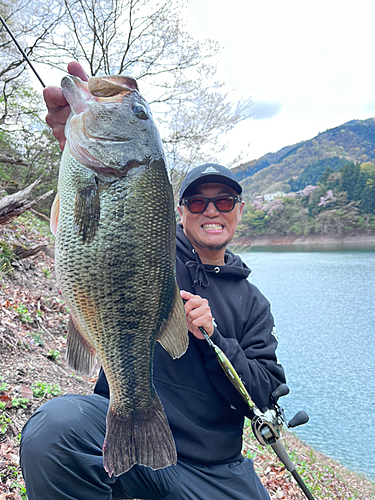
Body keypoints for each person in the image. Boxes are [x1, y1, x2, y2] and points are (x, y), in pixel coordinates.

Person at [20, 63, 286, 500]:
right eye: (198, 201)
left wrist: (215, 336)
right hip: (124, 441)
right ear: (177, 211)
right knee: (55, 431)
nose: (211, 209)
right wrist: (76, 138)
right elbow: (94, 226)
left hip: (215, 468)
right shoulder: (155, 249)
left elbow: (262, 393)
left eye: (223, 200)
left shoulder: (253, 303)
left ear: (239, 210)